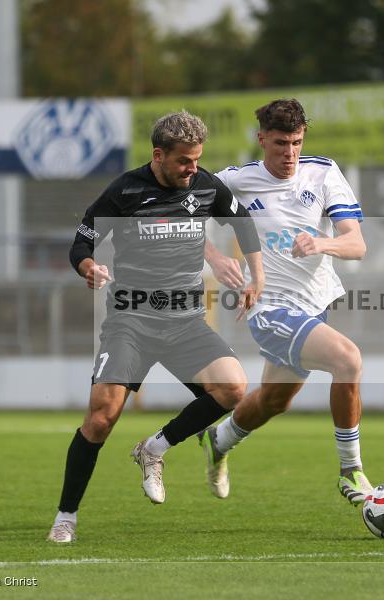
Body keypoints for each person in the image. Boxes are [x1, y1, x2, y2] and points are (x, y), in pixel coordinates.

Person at [47, 111, 265, 543]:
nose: (192, 169)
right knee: (102, 416)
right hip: (131, 319)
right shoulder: (125, 191)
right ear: (158, 155)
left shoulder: (205, 185)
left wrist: (257, 278)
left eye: (197, 159)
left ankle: (154, 448)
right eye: (184, 160)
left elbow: (243, 223)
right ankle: (65, 517)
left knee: (233, 388)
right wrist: (88, 266)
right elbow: (82, 240)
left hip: (184, 320)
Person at [200, 98, 373, 506]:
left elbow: (357, 243)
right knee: (347, 359)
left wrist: (322, 242)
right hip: (268, 306)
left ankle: (218, 439)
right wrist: (216, 257)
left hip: (314, 305)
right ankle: (352, 472)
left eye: (296, 142)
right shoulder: (235, 181)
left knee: (275, 400)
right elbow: (181, 217)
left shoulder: (323, 172)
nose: (290, 153)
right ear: (262, 139)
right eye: (280, 143)